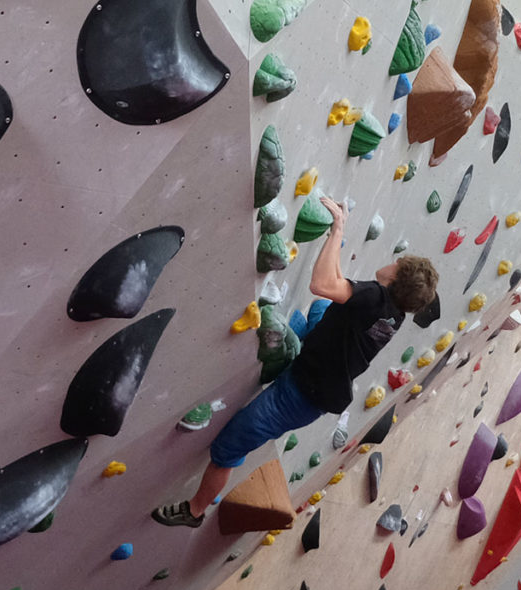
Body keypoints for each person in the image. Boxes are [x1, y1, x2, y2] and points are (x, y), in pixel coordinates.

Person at [153, 200, 438, 526]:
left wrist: (337, 230)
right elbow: (337, 286)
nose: (394, 260)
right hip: (321, 373)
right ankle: (298, 344)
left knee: (228, 448)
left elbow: (321, 284)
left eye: (398, 262)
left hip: (301, 395)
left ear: (398, 277)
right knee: (319, 310)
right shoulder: (393, 313)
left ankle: (194, 511)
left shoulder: (376, 297)